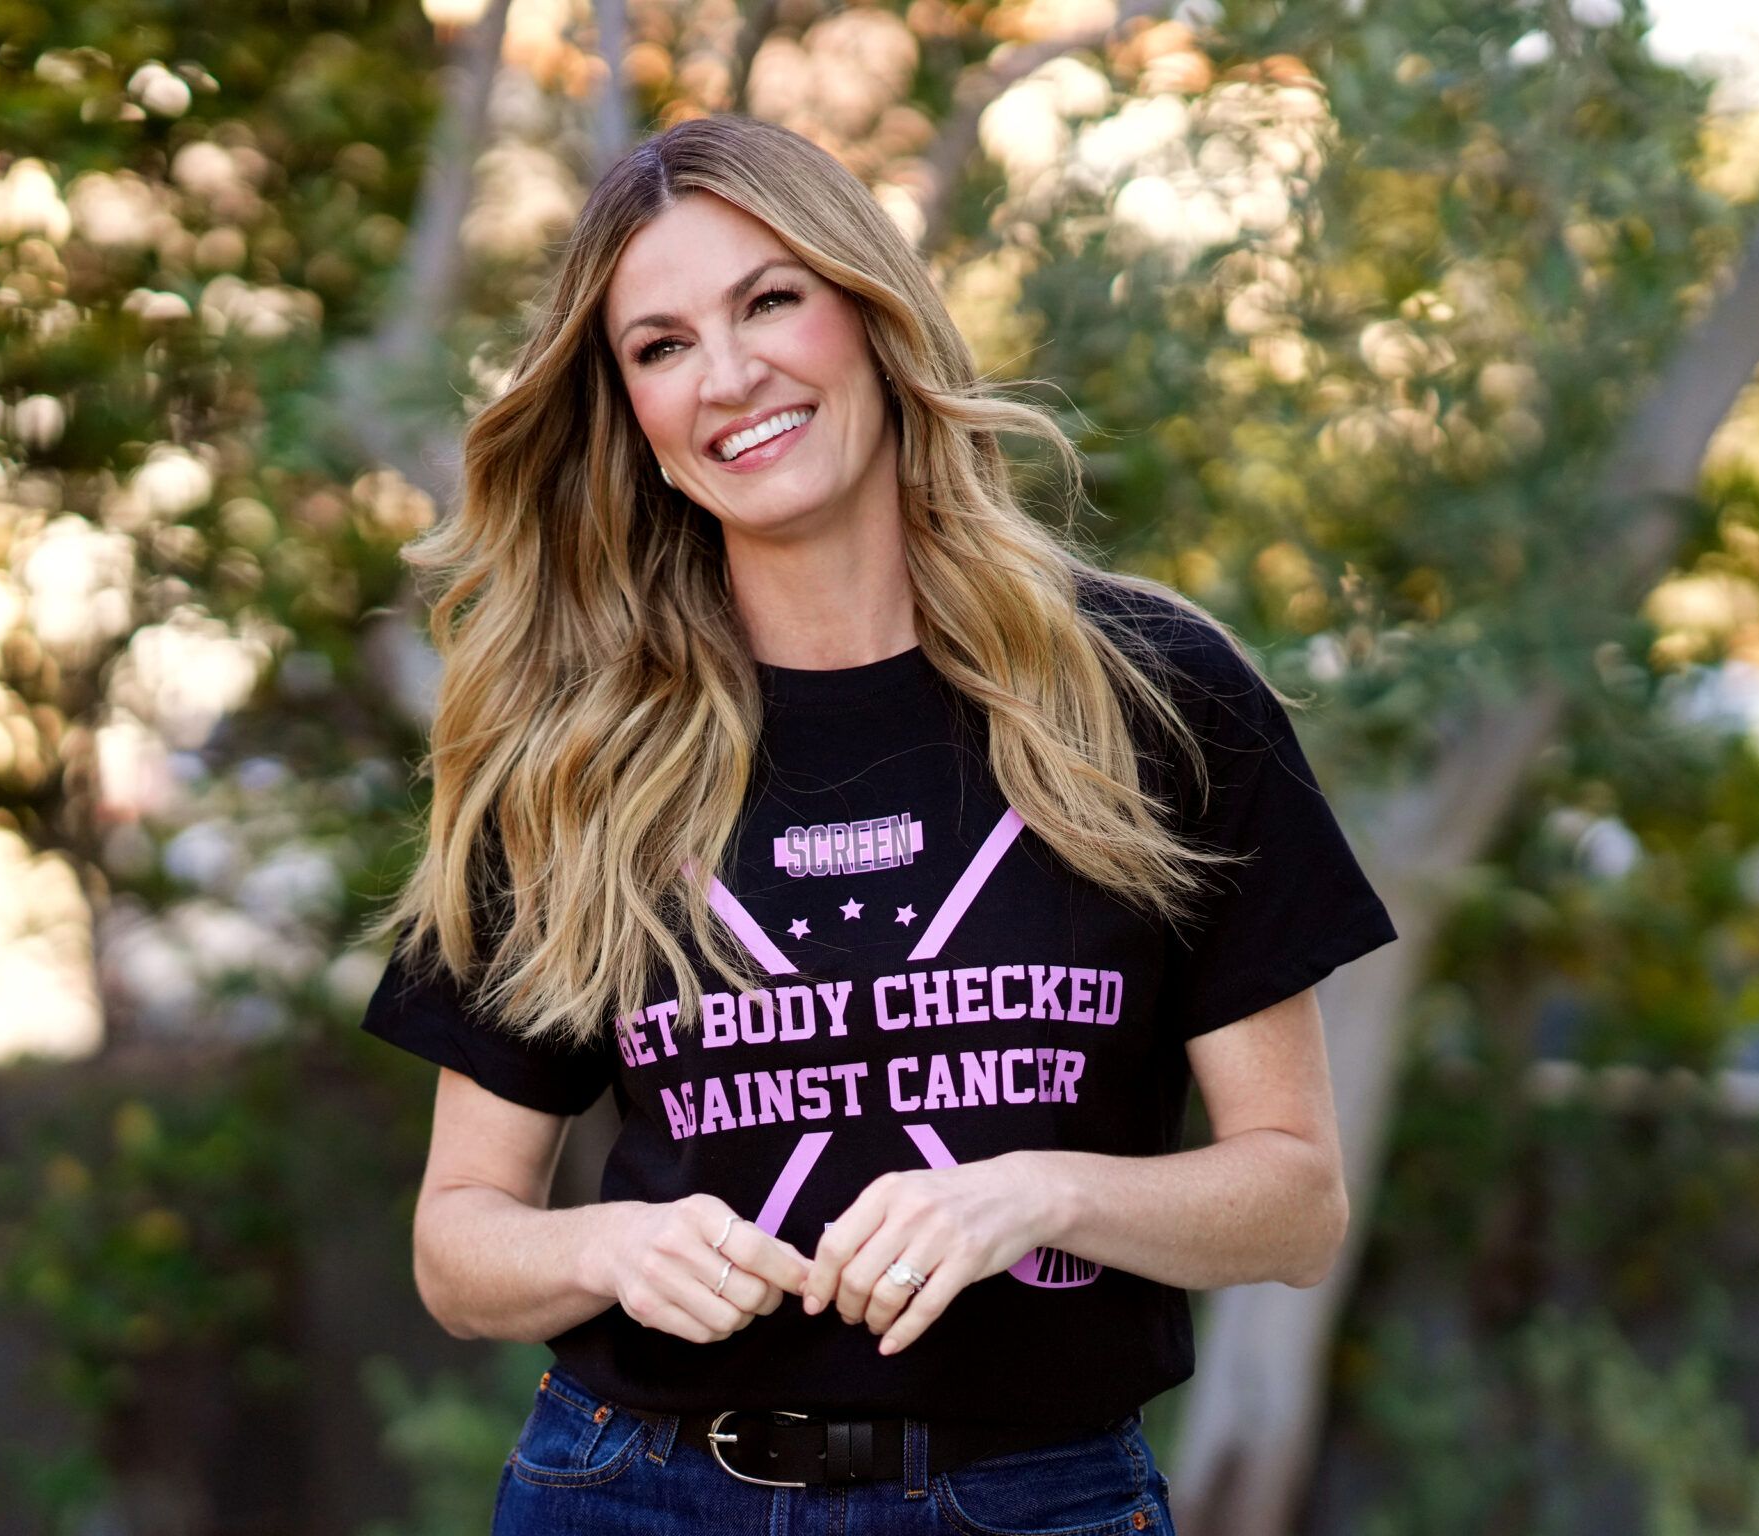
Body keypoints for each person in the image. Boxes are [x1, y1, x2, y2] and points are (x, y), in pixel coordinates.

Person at [354, 112, 1398, 1533]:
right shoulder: (577, 756)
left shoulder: (1150, 694)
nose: (729, 376)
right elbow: (457, 1247)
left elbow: (1295, 1202)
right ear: (634, 419)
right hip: (634, 1494)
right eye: (661, 346)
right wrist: (614, 1248)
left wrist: (1035, 1196)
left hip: (1032, 1499)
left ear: (872, 314)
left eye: (770, 301)